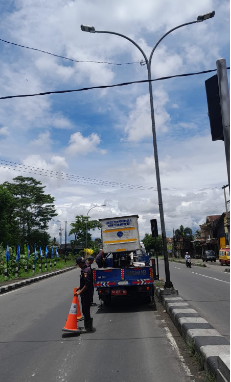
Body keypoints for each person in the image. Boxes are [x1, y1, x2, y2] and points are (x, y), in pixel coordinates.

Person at [75, 257, 94, 332]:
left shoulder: (86, 271)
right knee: (85, 310)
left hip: (87, 294)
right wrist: (79, 287)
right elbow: (84, 283)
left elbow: (87, 285)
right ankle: (88, 326)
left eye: (78, 264)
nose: (78, 265)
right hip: (86, 293)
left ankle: (88, 327)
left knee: (86, 310)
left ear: (80, 263)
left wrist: (80, 292)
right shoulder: (85, 270)